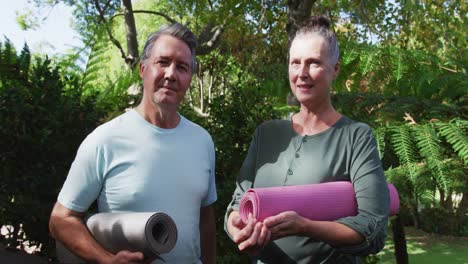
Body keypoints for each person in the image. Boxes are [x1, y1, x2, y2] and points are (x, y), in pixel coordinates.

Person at [224, 15, 390, 263]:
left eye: (313, 63)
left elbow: (372, 228)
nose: (302, 73)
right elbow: (237, 203)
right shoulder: (266, 134)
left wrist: (306, 226)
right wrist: (237, 226)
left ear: (335, 69)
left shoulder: (356, 137)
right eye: (295, 63)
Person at [49, 23, 217, 264]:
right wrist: (107, 260)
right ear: (142, 68)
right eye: (163, 62)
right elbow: (60, 220)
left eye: (182, 67)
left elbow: (205, 220)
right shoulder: (105, 139)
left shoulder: (203, 141)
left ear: (189, 78)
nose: (171, 74)